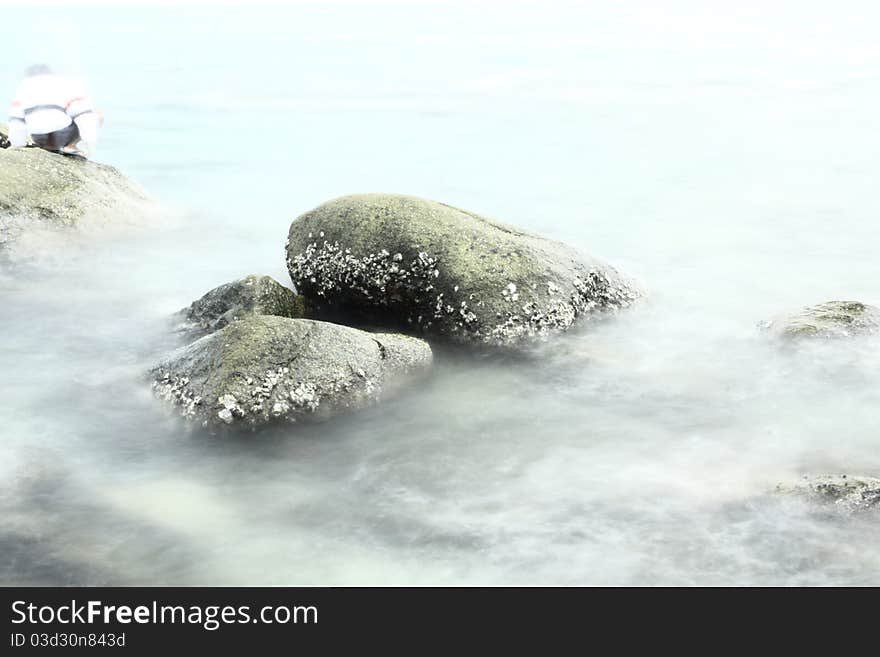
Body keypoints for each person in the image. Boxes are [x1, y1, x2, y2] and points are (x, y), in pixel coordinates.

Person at [7, 64, 101, 157]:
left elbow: (16, 121)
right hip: (62, 135)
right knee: (96, 114)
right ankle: (70, 145)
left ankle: (50, 147)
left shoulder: (22, 88)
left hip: (39, 138)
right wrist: (90, 145)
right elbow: (82, 113)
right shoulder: (62, 84)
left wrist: (17, 145)